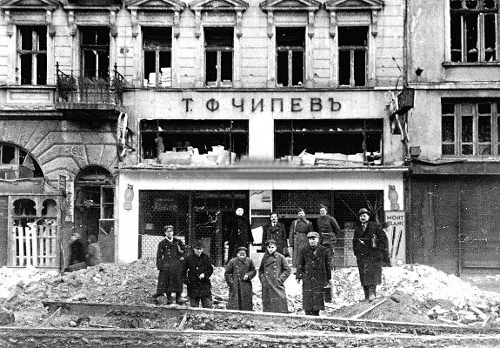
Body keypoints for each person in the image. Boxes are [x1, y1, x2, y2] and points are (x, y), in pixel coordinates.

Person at [352, 208, 389, 302]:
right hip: (362, 256)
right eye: (361, 216)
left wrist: (378, 252)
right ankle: (366, 296)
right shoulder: (357, 229)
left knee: (372, 275)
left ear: (368, 216)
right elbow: (354, 242)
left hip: (373, 255)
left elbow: (383, 240)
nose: (362, 218)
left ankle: (372, 294)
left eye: (364, 216)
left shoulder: (375, 226)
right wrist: (357, 253)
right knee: (363, 275)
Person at [296, 231, 332, 316]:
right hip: (308, 276)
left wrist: (328, 278)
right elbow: (300, 263)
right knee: (307, 295)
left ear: (318, 240)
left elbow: (327, 264)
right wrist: (299, 275)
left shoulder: (324, 250)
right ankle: (308, 313)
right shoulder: (303, 250)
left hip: (319, 276)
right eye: (310, 239)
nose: (312, 241)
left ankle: (316, 313)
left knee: (318, 296)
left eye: (314, 239)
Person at [258, 239, 291, 313]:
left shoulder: (280, 257)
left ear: (275, 248)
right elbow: (260, 270)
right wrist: (262, 279)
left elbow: (288, 270)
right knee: (267, 303)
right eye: (269, 247)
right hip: (266, 283)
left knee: (279, 301)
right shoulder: (265, 257)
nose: (270, 249)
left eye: (272, 247)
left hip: (276, 283)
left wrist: (280, 279)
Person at [156, 225, 186, 304]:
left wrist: (182, 257)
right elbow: (159, 255)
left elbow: (185, 251)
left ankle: (178, 298)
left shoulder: (177, 241)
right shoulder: (162, 243)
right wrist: (160, 266)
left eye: (171, 231)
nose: (169, 233)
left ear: (173, 232)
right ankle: (169, 298)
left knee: (178, 281)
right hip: (167, 264)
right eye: (167, 232)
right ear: (165, 233)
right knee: (167, 281)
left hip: (176, 264)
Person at [183, 240, 214, 308]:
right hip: (193, 285)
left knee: (208, 305)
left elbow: (210, 269)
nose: (199, 251)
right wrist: (187, 281)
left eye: (200, 249)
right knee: (193, 306)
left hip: (204, 285)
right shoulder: (189, 258)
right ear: (194, 249)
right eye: (197, 249)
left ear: (203, 249)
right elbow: (183, 271)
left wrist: (205, 274)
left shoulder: (206, 258)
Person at [224, 246, 256, 311]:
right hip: (235, 285)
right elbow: (227, 273)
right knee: (235, 302)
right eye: (240, 255)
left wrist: (248, 275)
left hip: (246, 285)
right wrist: (232, 283)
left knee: (246, 303)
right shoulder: (232, 261)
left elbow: (253, 271)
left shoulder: (249, 261)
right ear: (237, 254)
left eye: (243, 255)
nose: (242, 256)